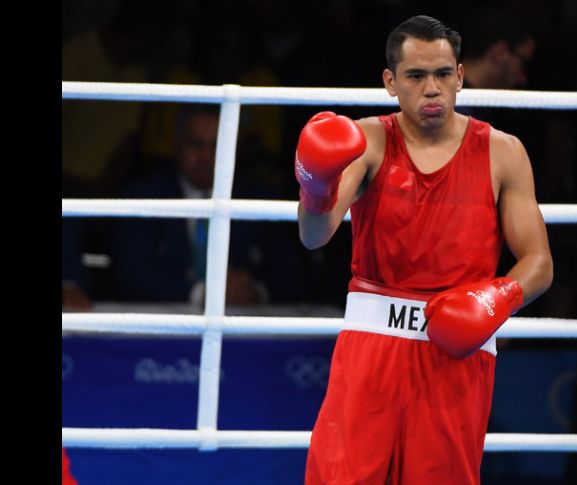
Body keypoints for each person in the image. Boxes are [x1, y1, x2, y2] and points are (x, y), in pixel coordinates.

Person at [296, 16, 553, 484]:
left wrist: (493, 300)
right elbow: (315, 235)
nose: (431, 88)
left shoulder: (503, 151)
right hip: (372, 346)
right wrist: (315, 188)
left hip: (457, 351)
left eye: (442, 74)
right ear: (391, 82)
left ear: (460, 75)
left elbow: (539, 263)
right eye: (416, 76)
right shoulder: (368, 140)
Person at [112, 104, 268, 305]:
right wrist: (201, 293)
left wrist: (256, 292)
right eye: (195, 144)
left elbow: (289, 274)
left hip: (245, 326)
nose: (205, 157)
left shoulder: (258, 198)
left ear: (234, 150)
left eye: (217, 146)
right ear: (176, 145)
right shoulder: (143, 197)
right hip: (166, 329)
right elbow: (132, 277)